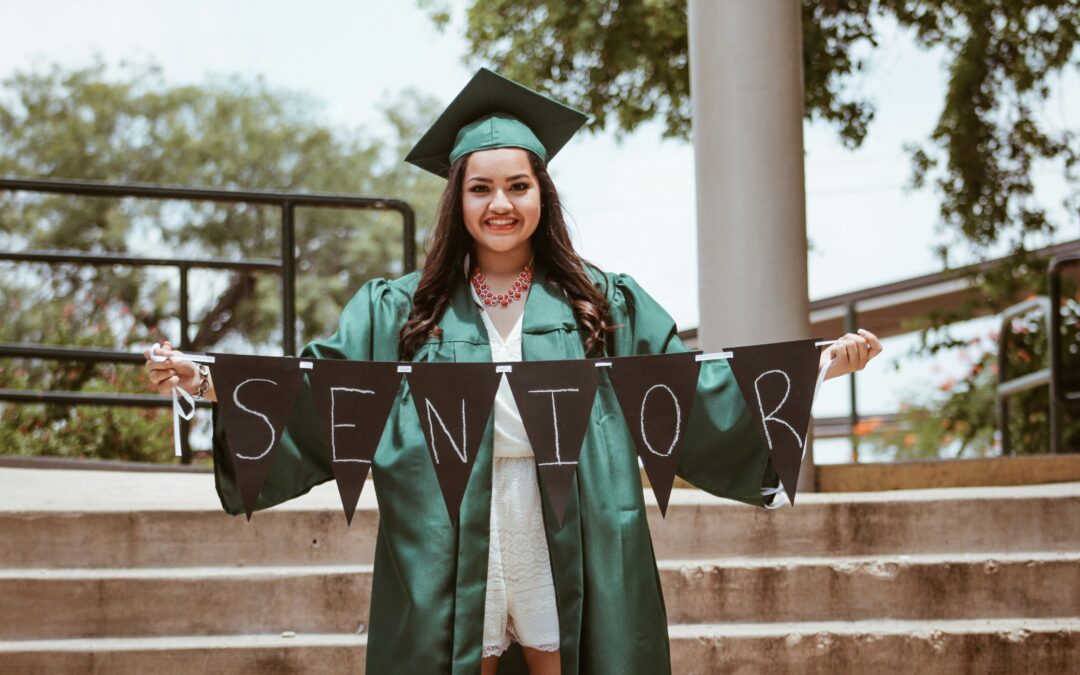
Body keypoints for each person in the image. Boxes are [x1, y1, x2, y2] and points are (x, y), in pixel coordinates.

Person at [145, 68, 882, 675]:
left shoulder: (603, 302)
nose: (501, 204)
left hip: (569, 510)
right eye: (481, 188)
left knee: (563, 658)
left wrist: (810, 368)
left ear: (542, 195)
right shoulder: (402, 310)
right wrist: (205, 377)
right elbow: (320, 388)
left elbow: (684, 387)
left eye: (518, 186)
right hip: (445, 516)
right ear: (457, 198)